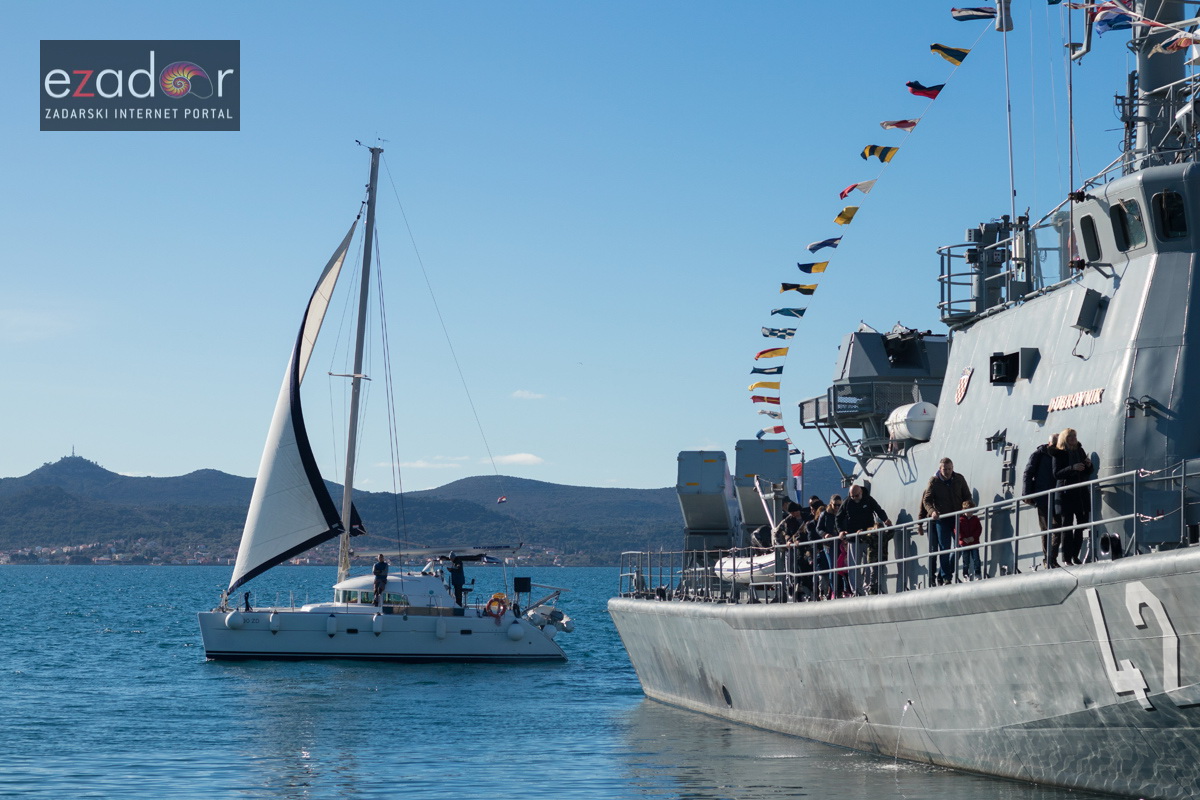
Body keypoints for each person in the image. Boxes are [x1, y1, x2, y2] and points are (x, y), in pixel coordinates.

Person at [921, 458, 972, 585]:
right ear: (940, 469)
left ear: (952, 468)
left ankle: (944, 572)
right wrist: (932, 511)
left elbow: (967, 496)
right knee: (945, 548)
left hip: (957, 517)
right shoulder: (934, 481)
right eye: (945, 469)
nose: (948, 472)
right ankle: (946, 578)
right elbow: (926, 500)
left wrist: (968, 508)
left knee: (960, 545)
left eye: (950, 469)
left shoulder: (959, 479)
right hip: (942, 519)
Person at [837, 484, 892, 594]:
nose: (854, 498)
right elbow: (839, 517)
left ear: (861, 492)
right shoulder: (848, 502)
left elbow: (878, 509)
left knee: (869, 564)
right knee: (854, 566)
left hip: (868, 538)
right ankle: (857, 590)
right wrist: (841, 531)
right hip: (853, 538)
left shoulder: (868, 500)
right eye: (852, 496)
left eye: (856, 496)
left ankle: (869, 587)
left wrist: (886, 519)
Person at [1052, 428, 1093, 566]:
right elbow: (1057, 473)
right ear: (1065, 438)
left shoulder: (1079, 451)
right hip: (1066, 494)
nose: (1073, 438)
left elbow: (1088, 472)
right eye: (1070, 437)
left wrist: (1088, 465)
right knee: (1067, 527)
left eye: (1074, 436)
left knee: (1081, 524)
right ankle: (1067, 558)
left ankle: (1075, 555)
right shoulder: (1059, 454)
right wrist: (1072, 467)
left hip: (1080, 493)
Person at [1023, 433, 1060, 567]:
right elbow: (1028, 473)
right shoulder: (1038, 454)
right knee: (1046, 529)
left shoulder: (1061, 454)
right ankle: (1048, 559)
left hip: (1057, 497)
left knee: (1057, 528)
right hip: (1043, 497)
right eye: (1055, 444)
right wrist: (1027, 495)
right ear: (1049, 443)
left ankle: (1052, 558)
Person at [957, 501, 983, 580]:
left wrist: (973, 537)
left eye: (972, 511)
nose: (970, 513)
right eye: (969, 511)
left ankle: (978, 574)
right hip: (964, 544)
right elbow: (957, 530)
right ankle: (965, 575)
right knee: (966, 561)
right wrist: (963, 538)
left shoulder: (975, 519)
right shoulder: (960, 520)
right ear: (964, 510)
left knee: (976, 559)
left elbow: (979, 529)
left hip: (974, 542)